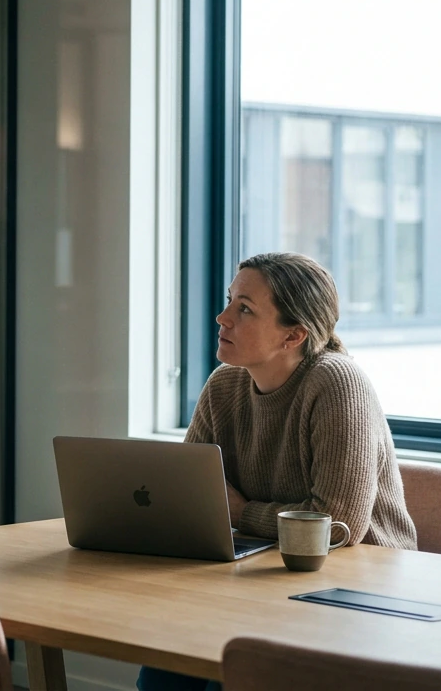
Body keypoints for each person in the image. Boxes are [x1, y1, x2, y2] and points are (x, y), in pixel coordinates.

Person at [137, 252, 416, 691]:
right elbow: (190, 490)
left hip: (354, 589)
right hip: (262, 576)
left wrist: (241, 513)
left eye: (244, 308)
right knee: (164, 669)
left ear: (294, 335)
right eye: (230, 300)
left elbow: (338, 523)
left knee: (224, 677)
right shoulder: (225, 384)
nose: (222, 316)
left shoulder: (338, 383)